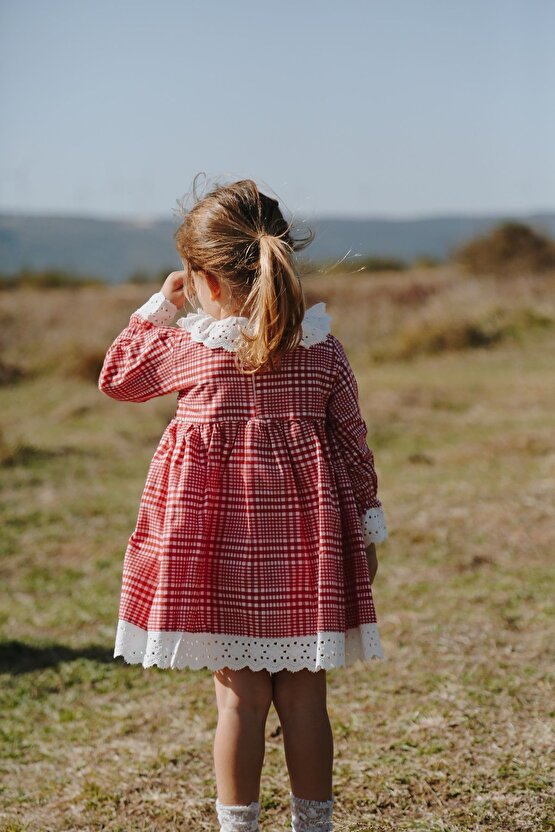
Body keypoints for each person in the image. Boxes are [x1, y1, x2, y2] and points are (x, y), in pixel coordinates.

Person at [98, 177, 388, 832]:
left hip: (217, 555)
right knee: (306, 697)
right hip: (305, 553)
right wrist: (365, 532)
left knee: (238, 702)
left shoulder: (189, 350)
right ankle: (313, 827)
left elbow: (116, 377)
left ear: (203, 278)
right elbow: (354, 447)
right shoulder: (321, 352)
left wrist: (158, 307)